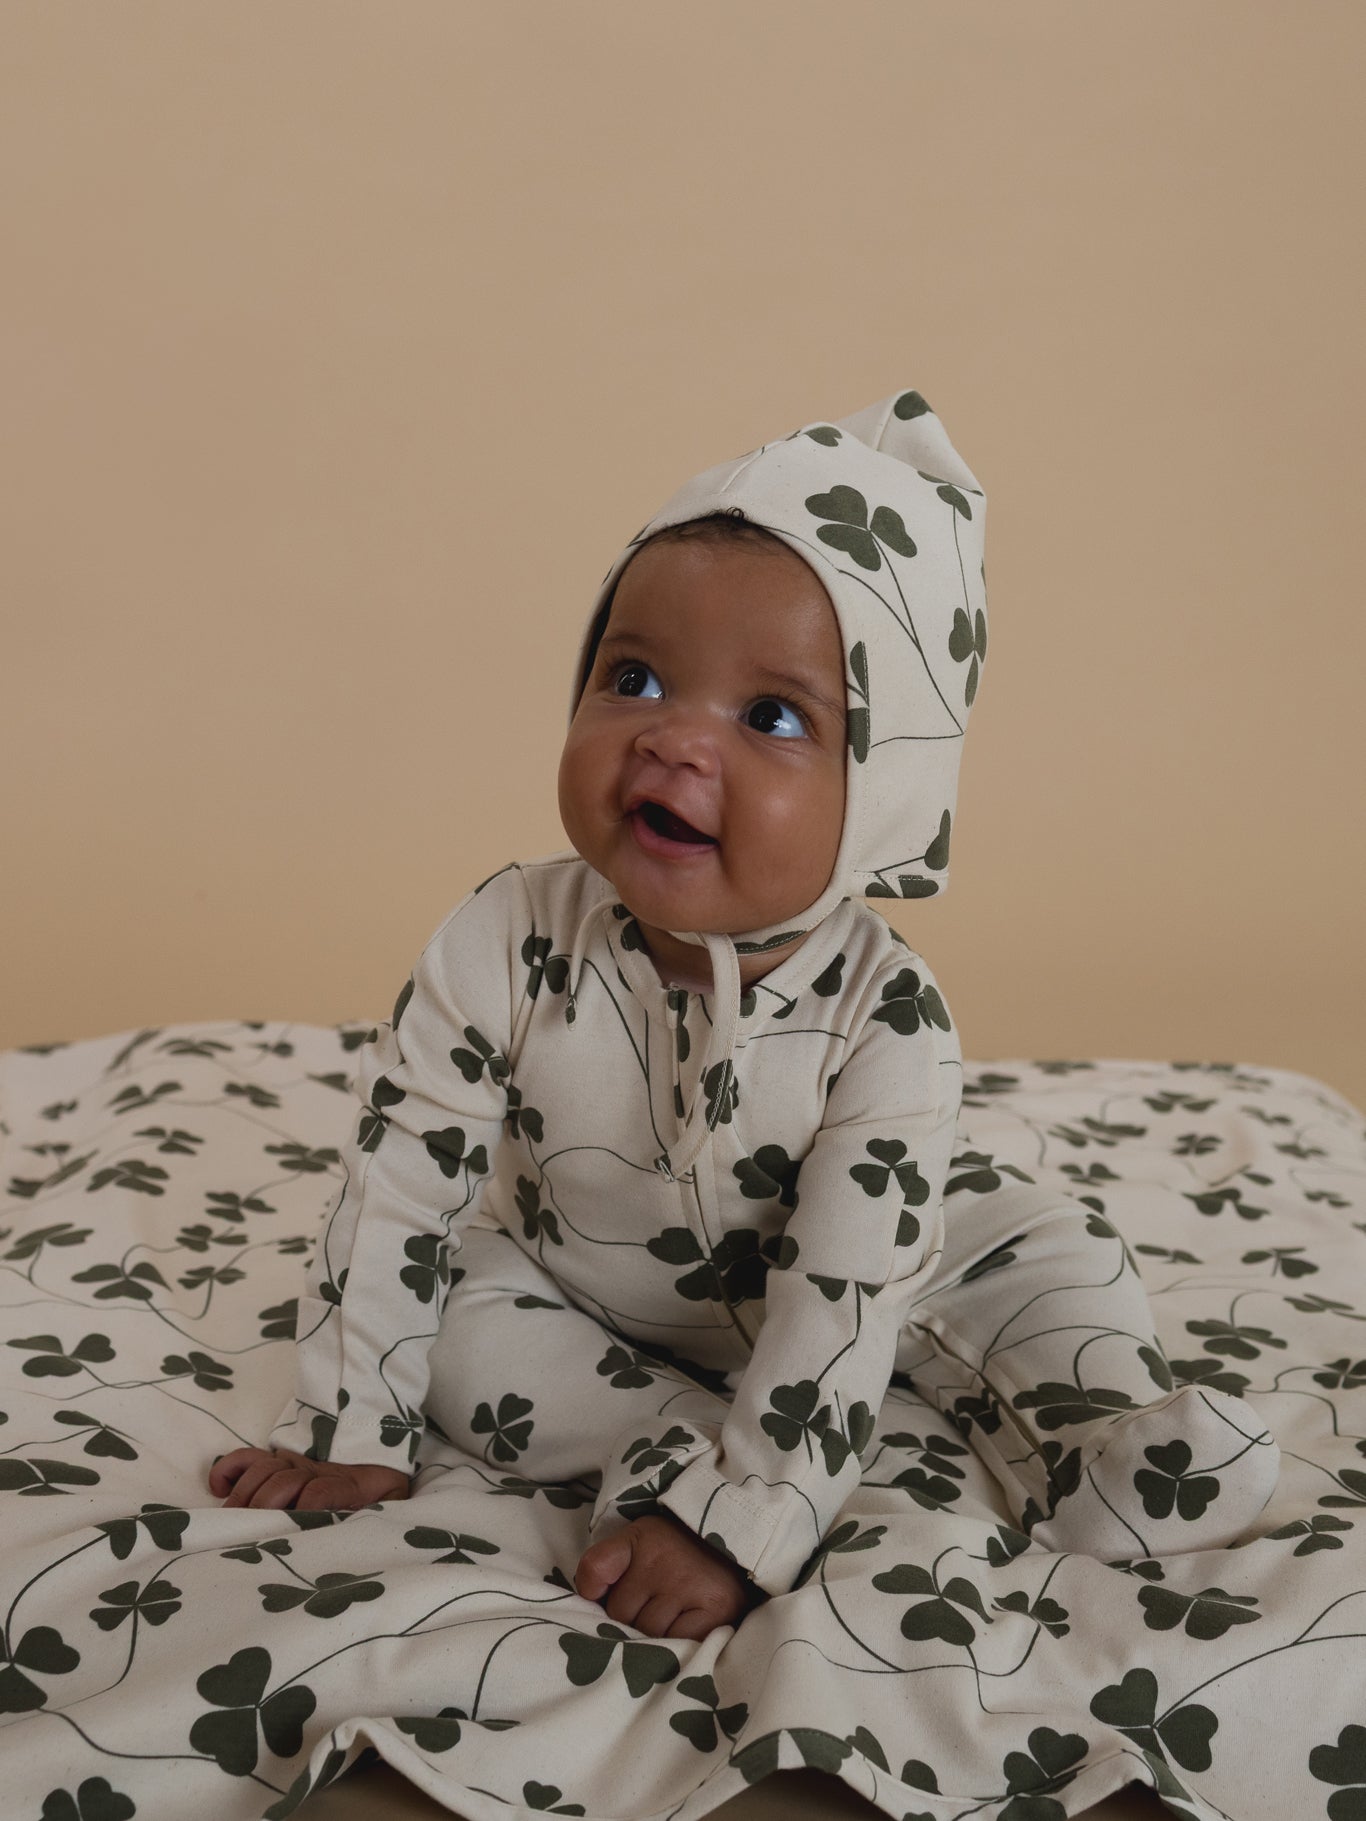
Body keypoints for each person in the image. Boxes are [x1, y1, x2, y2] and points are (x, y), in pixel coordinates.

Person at [210, 388, 1279, 1641]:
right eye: (633, 677)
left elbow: (841, 1293)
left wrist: (753, 1524)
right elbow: (401, 1183)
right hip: (587, 1283)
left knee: (1056, 1256)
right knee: (459, 1315)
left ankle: (1099, 1444)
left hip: (888, 1268)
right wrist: (349, 1428)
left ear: (882, 793)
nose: (673, 742)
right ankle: (672, 1445)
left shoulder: (887, 1014)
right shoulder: (503, 937)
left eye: (771, 716)